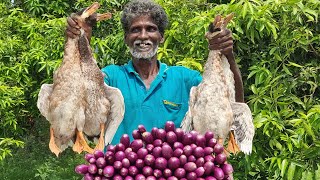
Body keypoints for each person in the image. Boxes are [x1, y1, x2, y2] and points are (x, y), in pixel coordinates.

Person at [65, 0, 244, 145]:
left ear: (161, 36)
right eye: (135, 30)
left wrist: (227, 55)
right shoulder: (112, 77)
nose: (143, 36)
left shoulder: (185, 79)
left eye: (150, 29)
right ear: (126, 38)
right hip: (120, 171)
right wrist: (81, 41)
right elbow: (78, 98)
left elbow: (233, 105)